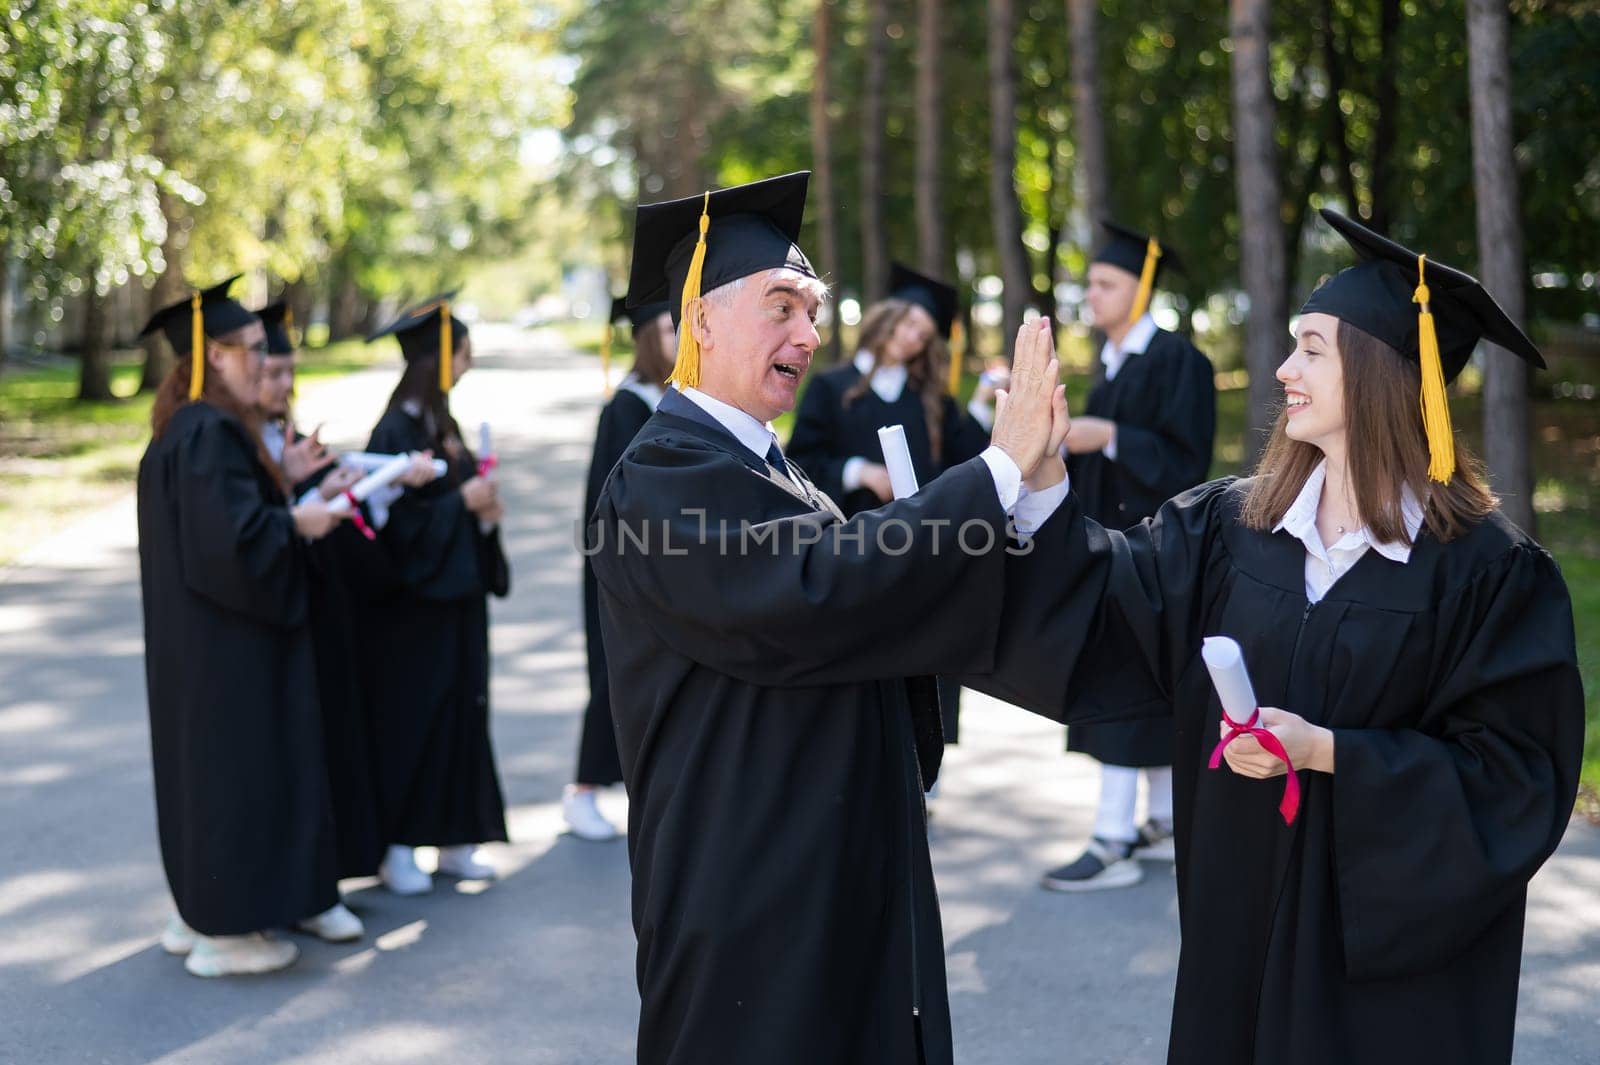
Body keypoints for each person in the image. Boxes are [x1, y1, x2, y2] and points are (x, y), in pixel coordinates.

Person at [972, 209, 1585, 1064]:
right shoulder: (1234, 526)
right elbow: (1108, 605)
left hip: (1389, 979)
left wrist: (1329, 750)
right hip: (1239, 932)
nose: (1283, 369)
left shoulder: (1487, 574)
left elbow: (1516, 779)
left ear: (1381, 373)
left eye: (1311, 348)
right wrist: (1038, 482)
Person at [587, 172, 1068, 1065]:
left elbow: (875, 595)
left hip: (821, 857)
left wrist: (1024, 499)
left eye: (813, 311)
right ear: (699, 322)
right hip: (745, 883)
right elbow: (813, 588)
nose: (809, 335)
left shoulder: (767, 464)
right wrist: (995, 471)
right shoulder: (662, 474)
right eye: (782, 307)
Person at [136, 278, 358, 977]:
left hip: (197, 649)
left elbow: (216, 526)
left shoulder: (183, 427)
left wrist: (284, 484)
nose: (266, 362)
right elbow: (231, 547)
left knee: (201, 778)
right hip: (228, 651)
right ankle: (225, 937)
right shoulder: (209, 433)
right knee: (232, 780)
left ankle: (195, 912)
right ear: (212, 355)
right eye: (252, 350)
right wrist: (298, 521)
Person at [1041, 222, 1216, 891]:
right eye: (1089, 282)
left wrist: (1109, 434)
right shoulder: (1113, 361)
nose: (1091, 294)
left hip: (1160, 549)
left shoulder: (1181, 363)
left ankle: (1112, 836)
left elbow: (1188, 464)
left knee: (1128, 679)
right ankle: (1164, 820)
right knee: (1141, 679)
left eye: (1106, 283)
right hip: (1111, 544)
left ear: (1141, 288)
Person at [788, 263, 991, 752]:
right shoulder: (830, 388)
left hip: (920, 549)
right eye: (906, 325)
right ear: (885, 319)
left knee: (923, 648)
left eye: (922, 335)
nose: (911, 339)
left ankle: (925, 761)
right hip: (854, 542)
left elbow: (967, 460)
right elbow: (801, 461)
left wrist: (982, 401)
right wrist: (860, 471)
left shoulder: (930, 399)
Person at [362, 296, 511, 895]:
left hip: (456, 598)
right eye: (463, 352)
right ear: (435, 358)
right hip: (413, 608)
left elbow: (453, 504)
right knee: (414, 720)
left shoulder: (440, 422)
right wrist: (460, 504)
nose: (468, 364)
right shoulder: (393, 428)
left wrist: (485, 514)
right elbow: (394, 527)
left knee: (460, 713)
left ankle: (453, 839)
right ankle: (397, 845)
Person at [567, 294, 673, 842]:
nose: (678, 340)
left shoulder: (674, 401)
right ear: (646, 340)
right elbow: (604, 502)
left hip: (663, 569)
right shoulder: (626, 408)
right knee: (613, 674)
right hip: (623, 567)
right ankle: (583, 789)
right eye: (667, 330)